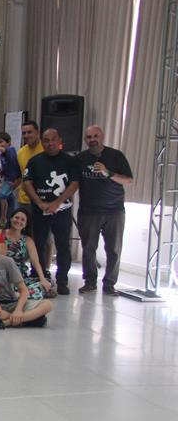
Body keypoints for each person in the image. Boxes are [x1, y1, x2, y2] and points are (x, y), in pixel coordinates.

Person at [75, 124, 134, 295]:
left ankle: (109, 284)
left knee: (114, 249)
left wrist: (108, 172)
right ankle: (90, 282)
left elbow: (129, 180)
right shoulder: (80, 159)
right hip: (88, 211)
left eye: (95, 136)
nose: (92, 139)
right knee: (88, 248)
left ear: (102, 137)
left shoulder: (116, 156)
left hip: (114, 211)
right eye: (89, 137)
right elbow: (74, 182)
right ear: (85, 140)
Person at [23, 128, 79, 295]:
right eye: (46, 140)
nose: (50, 143)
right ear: (42, 142)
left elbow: (74, 184)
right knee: (38, 245)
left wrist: (57, 203)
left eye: (53, 139)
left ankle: (62, 281)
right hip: (40, 211)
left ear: (59, 140)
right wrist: (39, 202)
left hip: (62, 211)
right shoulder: (35, 161)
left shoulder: (70, 161)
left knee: (63, 246)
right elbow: (27, 183)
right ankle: (39, 278)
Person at [0, 228, 53, 328]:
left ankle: (5, 322)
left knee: (47, 304)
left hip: (12, 302)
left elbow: (23, 290)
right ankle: (29, 319)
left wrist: (18, 310)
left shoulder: (7, 261)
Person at [3, 207, 54, 299]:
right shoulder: (0, 234)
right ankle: (20, 295)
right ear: (11, 218)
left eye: (22, 220)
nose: (19, 221)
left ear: (26, 224)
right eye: (16, 218)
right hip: (2, 275)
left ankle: (17, 295)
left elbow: (35, 262)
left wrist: (42, 279)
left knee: (48, 282)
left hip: (20, 277)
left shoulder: (27, 240)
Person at [15, 120, 43, 215]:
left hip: (42, 200)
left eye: (29, 132)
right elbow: (21, 175)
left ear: (37, 132)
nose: (26, 135)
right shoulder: (20, 152)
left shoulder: (46, 149)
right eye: (24, 133)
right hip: (23, 201)